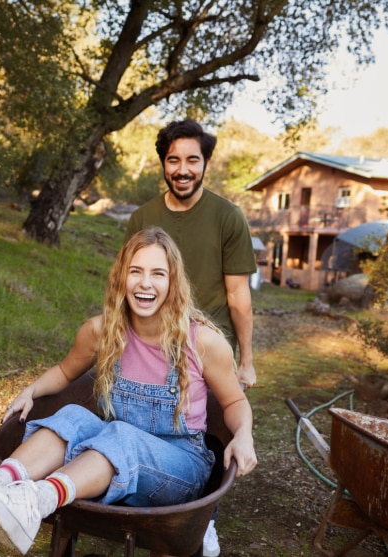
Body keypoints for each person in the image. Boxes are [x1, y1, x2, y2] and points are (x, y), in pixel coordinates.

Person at [0, 227, 257, 555]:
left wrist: (243, 434)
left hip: (181, 468)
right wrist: (30, 390)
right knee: (73, 416)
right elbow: (64, 371)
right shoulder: (101, 332)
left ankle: (33, 502)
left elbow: (234, 401)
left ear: (173, 284)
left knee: (121, 435)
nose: (145, 283)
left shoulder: (202, 343)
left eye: (158, 273)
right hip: (115, 446)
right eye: (136, 271)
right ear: (120, 278)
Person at [125, 119, 258, 557]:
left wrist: (247, 360)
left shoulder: (227, 217)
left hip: (207, 348)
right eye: (174, 160)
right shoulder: (143, 217)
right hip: (150, 344)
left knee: (211, 436)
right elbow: (132, 283)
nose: (183, 169)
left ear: (205, 164)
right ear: (164, 163)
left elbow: (238, 294)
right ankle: (148, 506)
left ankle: (203, 521)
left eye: (192, 161)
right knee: (151, 430)